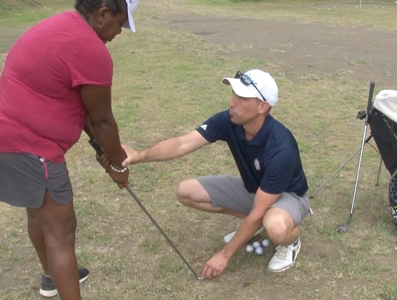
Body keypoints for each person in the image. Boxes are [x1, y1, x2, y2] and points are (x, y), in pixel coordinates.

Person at [0, 0, 141, 299]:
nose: (117, 34)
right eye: (120, 25)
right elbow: (101, 120)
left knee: (40, 214)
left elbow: (77, 110)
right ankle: (59, 277)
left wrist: (104, 155)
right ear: (103, 14)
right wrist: (119, 165)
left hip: (2, 137)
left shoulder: (59, 25)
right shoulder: (90, 50)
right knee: (62, 233)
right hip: (31, 147)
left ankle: (51, 276)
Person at [119, 69, 311, 279]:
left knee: (274, 227)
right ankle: (250, 225)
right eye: (233, 95)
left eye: (242, 98)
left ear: (263, 106)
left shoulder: (281, 147)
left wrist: (224, 255)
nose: (231, 103)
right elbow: (183, 143)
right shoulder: (229, 121)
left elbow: (259, 211)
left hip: (288, 196)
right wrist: (139, 156)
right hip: (255, 189)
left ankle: (292, 240)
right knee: (186, 191)